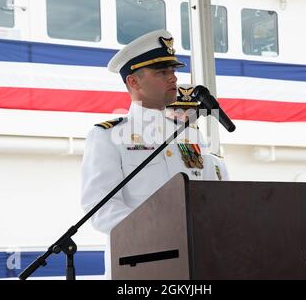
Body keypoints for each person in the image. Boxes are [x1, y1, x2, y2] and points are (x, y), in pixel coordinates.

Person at [80, 29, 226, 277]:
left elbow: (211, 197)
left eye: (172, 71)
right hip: (140, 266)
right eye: (162, 72)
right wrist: (162, 232)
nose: (173, 79)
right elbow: (100, 209)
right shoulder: (107, 137)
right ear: (133, 82)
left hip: (195, 265)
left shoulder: (189, 134)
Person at [166, 85, 230, 181]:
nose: (184, 118)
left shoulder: (217, 163)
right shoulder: (155, 152)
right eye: (178, 112)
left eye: (191, 113)